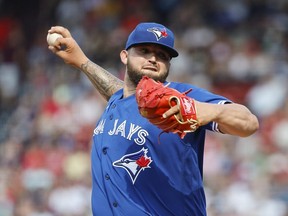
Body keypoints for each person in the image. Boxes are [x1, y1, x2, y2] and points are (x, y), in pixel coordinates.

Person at [48, 22, 259, 216]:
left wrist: (207, 111)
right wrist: (82, 62)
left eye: (162, 55)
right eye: (144, 51)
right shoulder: (121, 100)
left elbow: (249, 123)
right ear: (124, 56)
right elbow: (121, 93)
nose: (152, 58)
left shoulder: (178, 96)